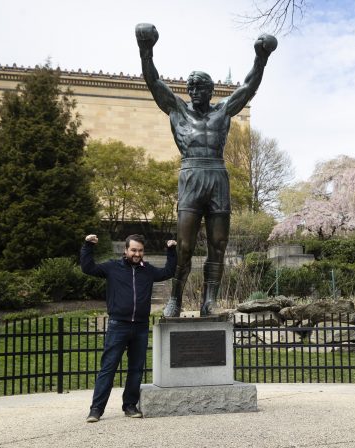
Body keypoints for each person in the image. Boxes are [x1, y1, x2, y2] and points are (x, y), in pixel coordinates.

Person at [134, 23, 277, 317]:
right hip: (191, 175)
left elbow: (248, 87)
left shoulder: (223, 110)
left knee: (219, 244)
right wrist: (146, 51)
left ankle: (209, 300)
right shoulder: (177, 109)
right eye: (191, 87)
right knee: (185, 246)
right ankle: (175, 298)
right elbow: (154, 83)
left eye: (200, 87)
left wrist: (260, 59)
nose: (194, 91)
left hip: (217, 176)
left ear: (211, 90)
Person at [80, 234, 177, 422]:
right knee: (108, 368)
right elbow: (87, 268)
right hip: (118, 325)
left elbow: (168, 272)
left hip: (140, 327)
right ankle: (96, 409)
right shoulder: (112, 268)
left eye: (140, 250)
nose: (137, 253)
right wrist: (87, 246)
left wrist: (171, 251)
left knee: (136, 369)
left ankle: (130, 406)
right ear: (126, 250)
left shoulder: (147, 271)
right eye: (133, 250)